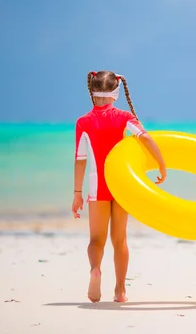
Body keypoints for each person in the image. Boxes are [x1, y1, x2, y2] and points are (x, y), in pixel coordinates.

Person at [71, 70, 167, 303]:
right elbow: (145, 138)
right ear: (116, 92)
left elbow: (80, 159)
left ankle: (95, 269)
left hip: (98, 185)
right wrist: (161, 165)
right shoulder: (124, 117)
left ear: (92, 92)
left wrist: (77, 194)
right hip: (122, 185)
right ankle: (120, 290)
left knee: (96, 240)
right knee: (120, 240)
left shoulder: (83, 122)